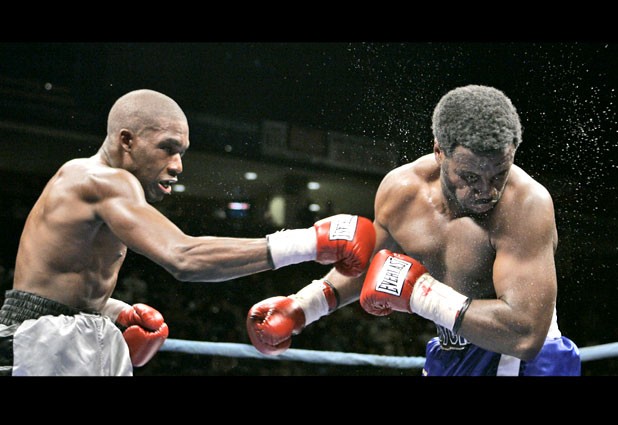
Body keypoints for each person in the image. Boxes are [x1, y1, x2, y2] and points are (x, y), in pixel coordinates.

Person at [0, 89, 376, 376]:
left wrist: (116, 311)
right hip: (39, 339)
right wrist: (309, 242)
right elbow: (184, 258)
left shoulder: (103, 189)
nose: (178, 165)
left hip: (71, 329)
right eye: (167, 149)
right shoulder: (101, 180)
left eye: (182, 151)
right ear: (126, 141)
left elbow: (57, 279)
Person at [246, 84, 581, 376]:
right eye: (469, 177)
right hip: (451, 350)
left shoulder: (526, 205)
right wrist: (304, 307)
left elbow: (525, 336)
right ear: (439, 152)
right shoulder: (403, 191)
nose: (486, 191)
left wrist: (420, 294)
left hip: (522, 361)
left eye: (498, 175)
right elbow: (368, 265)